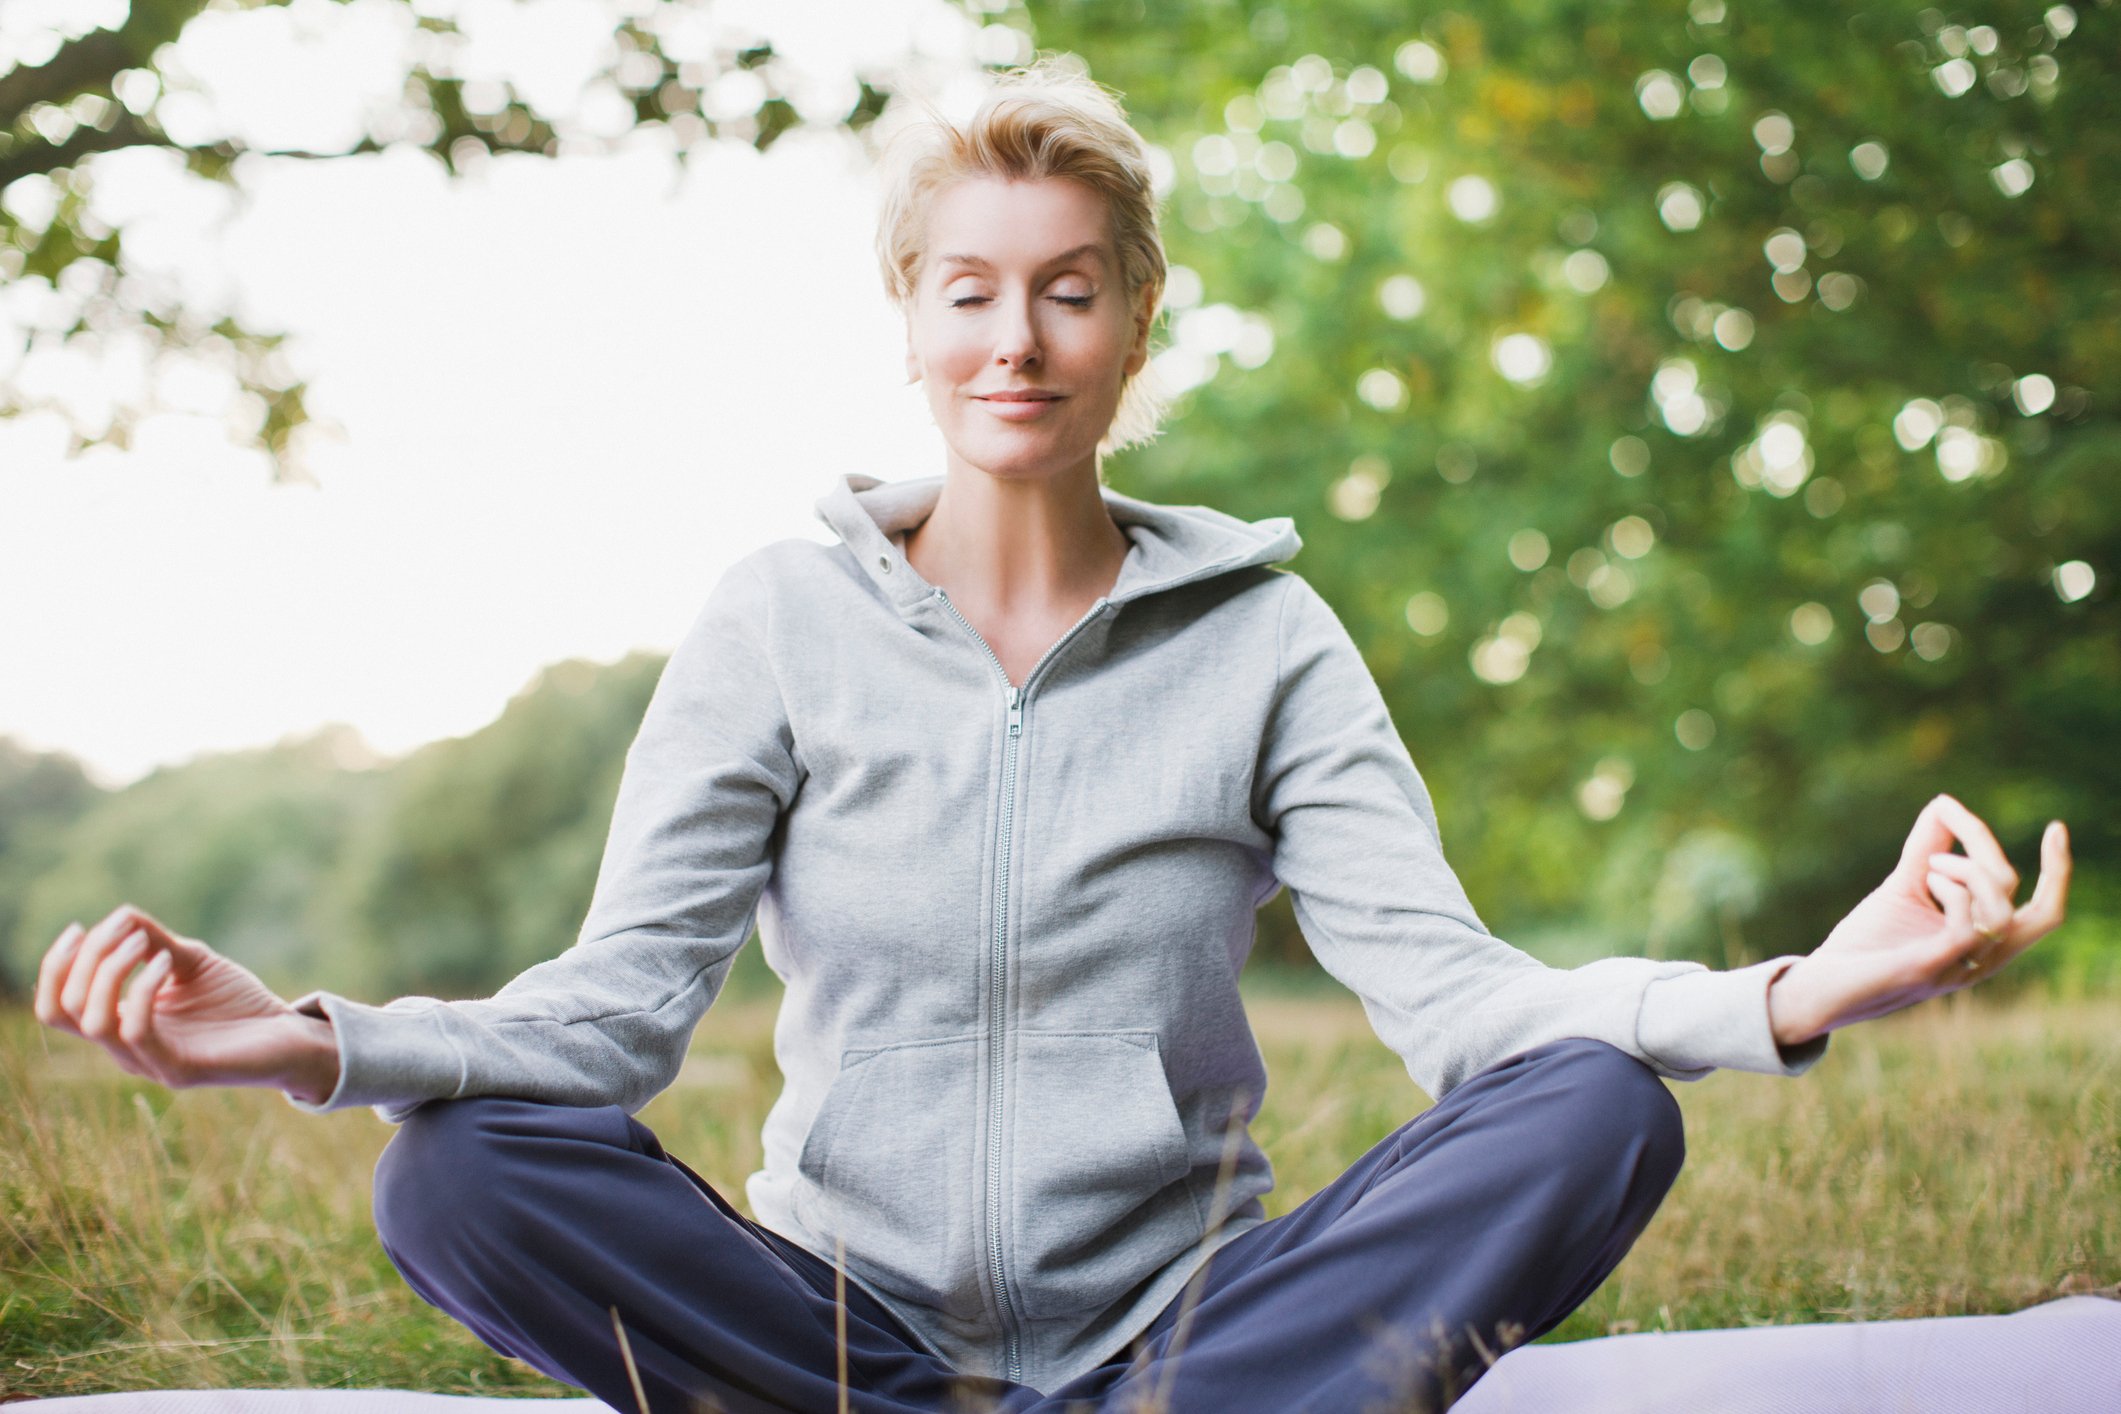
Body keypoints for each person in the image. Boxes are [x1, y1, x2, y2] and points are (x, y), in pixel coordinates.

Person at [35, 59, 2072, 1414]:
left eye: (1069, 292)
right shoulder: (771, 623)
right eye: (967, 293)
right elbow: (605, 1026)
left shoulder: (1266, 638)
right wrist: (308, 1036)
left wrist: (1800, 984)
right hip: (842, 1334)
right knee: (453, 1175)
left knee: (1591, 1111)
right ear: (906, 320)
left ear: (1135, 322)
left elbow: (1464, 1006)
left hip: (1188, 1335)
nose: (1016, 342)